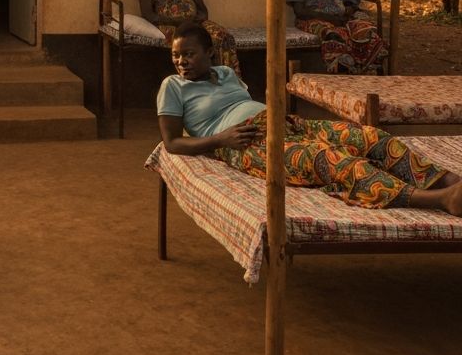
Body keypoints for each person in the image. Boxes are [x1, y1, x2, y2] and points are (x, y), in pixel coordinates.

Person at [157, 21, 462, 214]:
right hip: (244, 144)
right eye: (176, 56)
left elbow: (247, 101)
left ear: (209, 52)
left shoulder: (224, 73)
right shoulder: (173, 86)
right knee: (334, 160)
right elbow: (171, 142)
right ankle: (438, 199)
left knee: (372, 137)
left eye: (189, 54)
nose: (181, 62)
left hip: (281, 122)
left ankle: (448, 180)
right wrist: (220, 139)